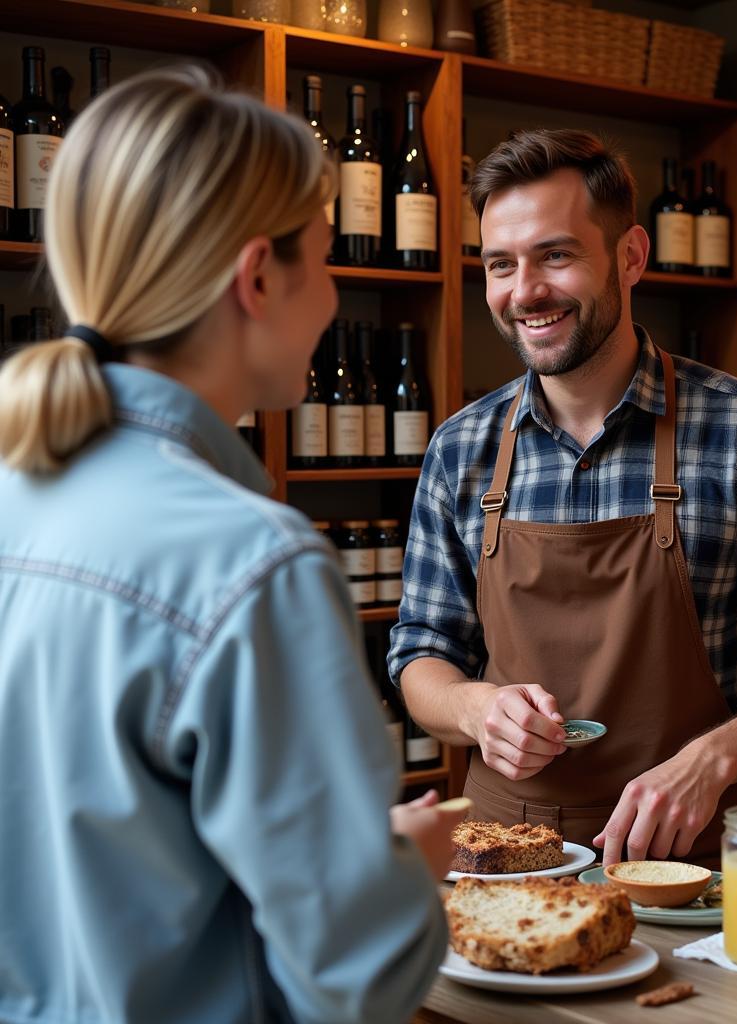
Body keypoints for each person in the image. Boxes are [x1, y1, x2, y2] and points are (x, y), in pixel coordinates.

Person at [0, 68, 458, 1024]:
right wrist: (404, 870)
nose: (333, 299)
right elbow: (356, 973)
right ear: (258, 277)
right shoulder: (254, 564)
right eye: (327, 261)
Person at [389, 129, 737, 868]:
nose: (525, 292)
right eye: (500, 265)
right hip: (503, 864)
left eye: (556, 254)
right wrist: (475, 708)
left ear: (631, 256)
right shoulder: (460, 448)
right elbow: (422, 652)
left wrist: (713, 761)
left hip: (692, 866)